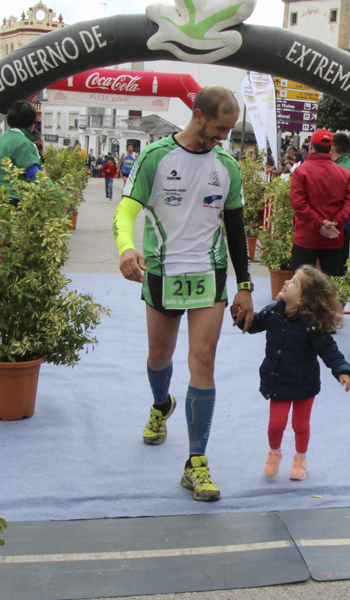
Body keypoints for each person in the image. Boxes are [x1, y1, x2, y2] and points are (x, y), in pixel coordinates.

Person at [113, 85, 254, 502]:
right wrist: (125, 246)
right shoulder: (155, 157)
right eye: (219, 127)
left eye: (229, 130)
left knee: (203, 361)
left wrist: (244, 284)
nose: (224, 137)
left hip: (209, 275)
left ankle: (196, 462)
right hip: (161, 271)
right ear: (197, 115)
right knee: (160, 358)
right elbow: (126, 210)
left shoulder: (227, 165)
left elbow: (236, 228)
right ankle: (161, 406)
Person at [246, 266, 350, 481]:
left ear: (302, 300)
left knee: (300, 425)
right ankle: (274, 452)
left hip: (304, 383)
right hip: (278, 380)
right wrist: (242, 317)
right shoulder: (273, 312)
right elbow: (254, 324)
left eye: (294, 282)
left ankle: (300, 457)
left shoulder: (312, 325)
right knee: (276, 424)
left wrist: (342, 370)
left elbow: (329, 350)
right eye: (291, 279)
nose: (286, 282)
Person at [290, 129, 350, 278]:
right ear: (331, 149)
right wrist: (334, 222)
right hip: (334, 237)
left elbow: (299, 203)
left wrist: (320, 224)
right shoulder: (344, 173)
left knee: (302, 287)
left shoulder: (301, 172)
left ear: (311, 146)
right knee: (332, 288)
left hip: (306, 237)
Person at [0, 101, 42, 203]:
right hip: (18, 199)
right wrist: (59, 195)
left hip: (0, 196)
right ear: (31, 123)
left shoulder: (1, 139)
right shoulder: (24, 143)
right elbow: (34, 175)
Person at [330, 132, 350, 269]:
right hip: (347, 218)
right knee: (343, 256)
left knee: (335, 259)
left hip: (335, 219)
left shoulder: (337, 168)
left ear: (332, 147)